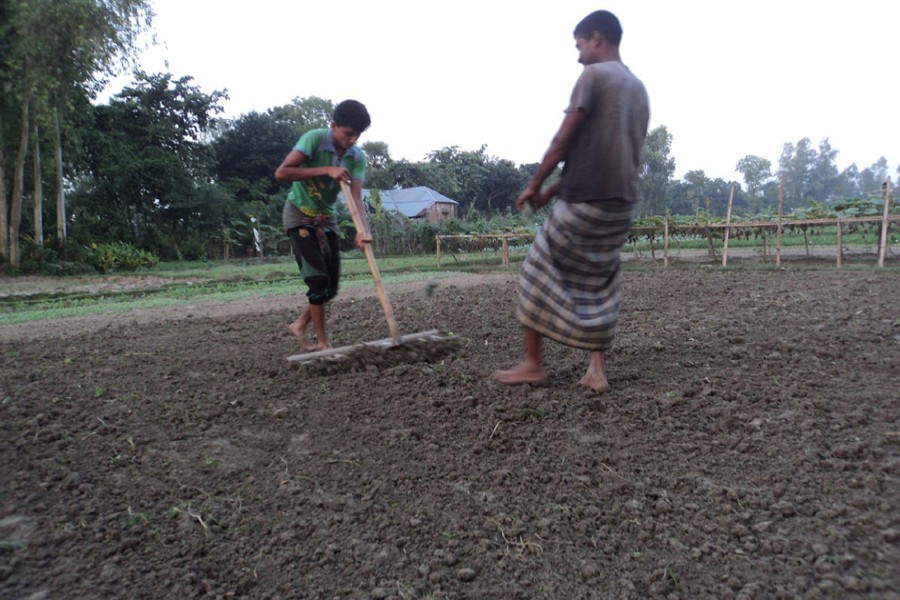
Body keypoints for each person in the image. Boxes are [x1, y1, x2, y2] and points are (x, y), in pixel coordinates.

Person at [493, 10, 650, 393]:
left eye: (579, 44)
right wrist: (551, 192)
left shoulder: (593, 76)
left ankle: (533, 364)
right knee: (599, 280)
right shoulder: (638, 88)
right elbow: (604, 153)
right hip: (622, 203)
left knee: (535, 270)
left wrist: (533, 184)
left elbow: (564, 141)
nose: (578, 54)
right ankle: (595, 371)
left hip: (585, 201)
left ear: (596, 37)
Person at [275, 99, 373, 351]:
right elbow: (282, 173)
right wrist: (326, 170)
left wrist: (363, 229)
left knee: (330, 287)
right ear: (334, 125)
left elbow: (356, 197)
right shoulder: (314, 140)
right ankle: (323, 343)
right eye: (349, 133)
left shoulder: (357, 157)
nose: (353, 139)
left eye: (358, 135)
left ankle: (299, 324)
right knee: (317, 281)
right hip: (299, 215)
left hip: (326, 218)